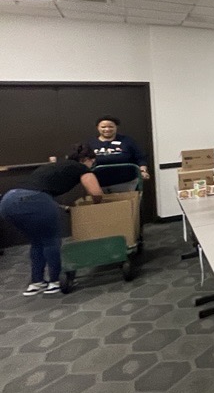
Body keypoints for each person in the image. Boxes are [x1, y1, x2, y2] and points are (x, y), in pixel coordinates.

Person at [0, 145, 104, 296]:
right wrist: (96, 207)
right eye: (92, 162)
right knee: (51, 241)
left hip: (8, 201)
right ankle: (55, 281)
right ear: (86, 160)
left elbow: (37, 190)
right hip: (35, 200)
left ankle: (37, 283)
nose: (92, 166)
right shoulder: (82, 168)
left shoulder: (54, 166)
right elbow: (96, 193)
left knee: (37, 241)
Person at [88, 115, 149, 192]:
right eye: (103, 127)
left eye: (111, 127)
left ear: (116, 127)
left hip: (126, 183)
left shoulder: (127, 141)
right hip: (99, 184)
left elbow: (140, 158)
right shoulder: (91, 144)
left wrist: (143, 171)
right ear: (98, 128)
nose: (107, 129)